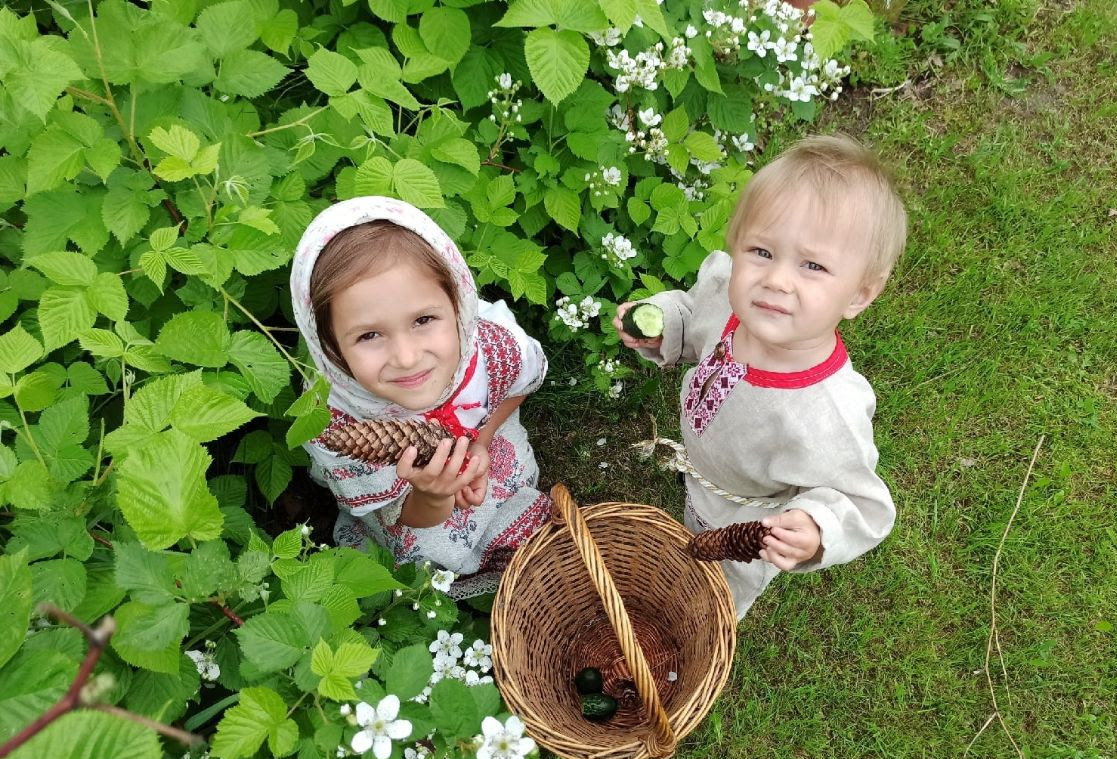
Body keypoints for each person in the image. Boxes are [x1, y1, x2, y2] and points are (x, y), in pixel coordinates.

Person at [613, 134, 906, 618]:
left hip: (748, 518)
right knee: (690, 529)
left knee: (714, 590)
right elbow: (692, 314)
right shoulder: (730, 302)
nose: (776, 279)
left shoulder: (825, 411)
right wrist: (665, 324)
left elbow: (863, 504)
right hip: (706, 472)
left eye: (813, 265)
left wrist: (815, 528)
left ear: (859, 295)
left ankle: (705, 623)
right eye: (762, 252)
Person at [291, 196, 550, 599]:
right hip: (413, 503)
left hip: (483, 443)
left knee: (510, 489)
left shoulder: (487, 348)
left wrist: (482, 440)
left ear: (458, 303)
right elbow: (409, 516)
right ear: (329, 347)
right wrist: (433, 494)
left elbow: (519, 385)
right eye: (369, 335)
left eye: (423, 320)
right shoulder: (337, 421)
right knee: (433, 545)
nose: (407, 358)